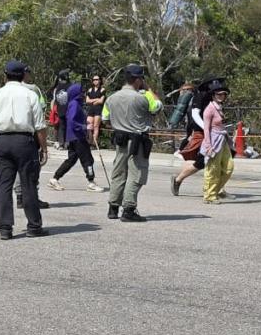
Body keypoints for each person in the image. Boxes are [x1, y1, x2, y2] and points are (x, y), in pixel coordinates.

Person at [0, 60, 49, 239]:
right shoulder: (30, 95)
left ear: (5, 75)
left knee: (4, 185)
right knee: (28, 184)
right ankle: (34, 226)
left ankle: (5, 228)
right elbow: (40, 126)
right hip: (24, 142)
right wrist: (44, 148)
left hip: (1, 141)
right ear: (23, 75)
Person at [102, 64, 162, 222]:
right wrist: (149, 90)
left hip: (120, 139)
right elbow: (157, 107)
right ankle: (129, 209)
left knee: (118, 173)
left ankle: (113, 207)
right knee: (136, 174)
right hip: (137, 141)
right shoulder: (142, 98)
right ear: (138, 79)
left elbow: (105, 119)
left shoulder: (111, 98)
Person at [47, 78, 106, 192]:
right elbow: (72, 121)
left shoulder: (75, 103)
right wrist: (85, 127)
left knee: (71, 159)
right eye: (81, 91)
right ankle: (91, 182)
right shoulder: (74, 104)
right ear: (76, 93)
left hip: (73, 136)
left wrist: (85, 122)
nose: (83, 93)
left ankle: (55, 178)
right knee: (87, 159)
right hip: (78, 136)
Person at [15, 64, 51, 210]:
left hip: (11, 133)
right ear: (25, 74)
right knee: (32, 167)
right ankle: (32, 196)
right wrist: (44, 147)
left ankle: (19, 196)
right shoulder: (33, 89)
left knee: (17, 167)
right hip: (30, 133)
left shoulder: (6, 90)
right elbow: (42, 107)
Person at [201, 80, 234, 205]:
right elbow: (206, 129)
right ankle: (209, 195)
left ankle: (214, 190)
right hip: (214, 140)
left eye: (223, 94)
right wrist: (208, 146)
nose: (221, 96)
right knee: (213, 169)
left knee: (229, 168)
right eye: (219, 94)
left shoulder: (219, 107)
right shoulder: (209, 109)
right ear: (213, 95)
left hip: (223, 139)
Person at [168, 80, 204, 196]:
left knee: (206, 161)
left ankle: (216, 188)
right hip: (198, 134)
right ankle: (178, 179)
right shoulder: (194, 101)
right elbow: (193, 120)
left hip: (196, 134)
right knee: (201, 161)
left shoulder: (193, 101)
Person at [85, 74, 106, 139]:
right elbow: (87, 101)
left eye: (97, 79)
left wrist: (92, 100)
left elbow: (101, 101)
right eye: (94, 80)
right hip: (91, 109)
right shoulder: (90, 90)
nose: (95, 81)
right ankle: (90, 140)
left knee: (96, 126)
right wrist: (96, 99)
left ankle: (94, 142)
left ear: (100, 80)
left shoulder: (102, 89)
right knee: (89, 125)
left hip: (98, 109)